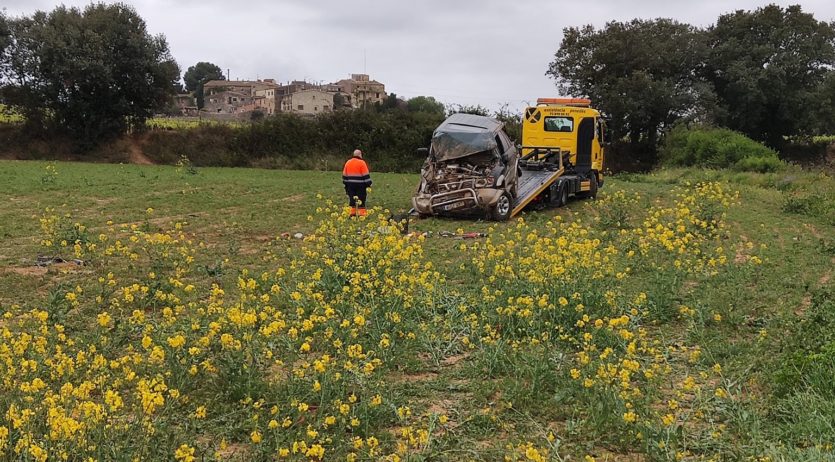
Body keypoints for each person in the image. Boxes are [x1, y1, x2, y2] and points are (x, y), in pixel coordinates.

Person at [342, 149, 373, 216]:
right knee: (361, 199)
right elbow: (365, 175)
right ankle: (361, 215)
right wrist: (369, 183)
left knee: (352, 200)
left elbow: (344, 175)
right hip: (360, 185)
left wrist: (346, 184)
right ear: (360, 155)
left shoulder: (348, 162)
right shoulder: (362, 163)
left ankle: (352, 214)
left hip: (350, 185)